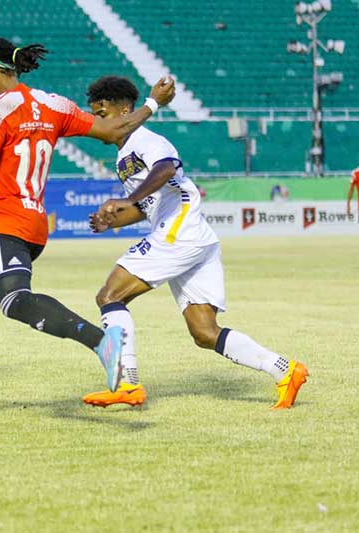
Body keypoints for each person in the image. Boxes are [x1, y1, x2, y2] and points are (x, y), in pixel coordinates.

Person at [0, 38, 176, 411]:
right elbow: (113, 131)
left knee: (13, 301)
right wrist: (153, 103)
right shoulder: (51, 103)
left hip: (2, 222)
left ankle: (101, 342)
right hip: (34, 226)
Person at [82, 76, 308, 410]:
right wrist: (114, 219)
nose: (98, 121)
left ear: (126, 109)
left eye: (102, 113)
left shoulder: (144, 138)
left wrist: (126, 199)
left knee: (109, 296)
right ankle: (286, 370)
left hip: (180, 232)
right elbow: (147, 207)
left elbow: (167, 167)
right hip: (194, 238)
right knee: (204, 333)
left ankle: (127, 383)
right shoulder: (121, 158)